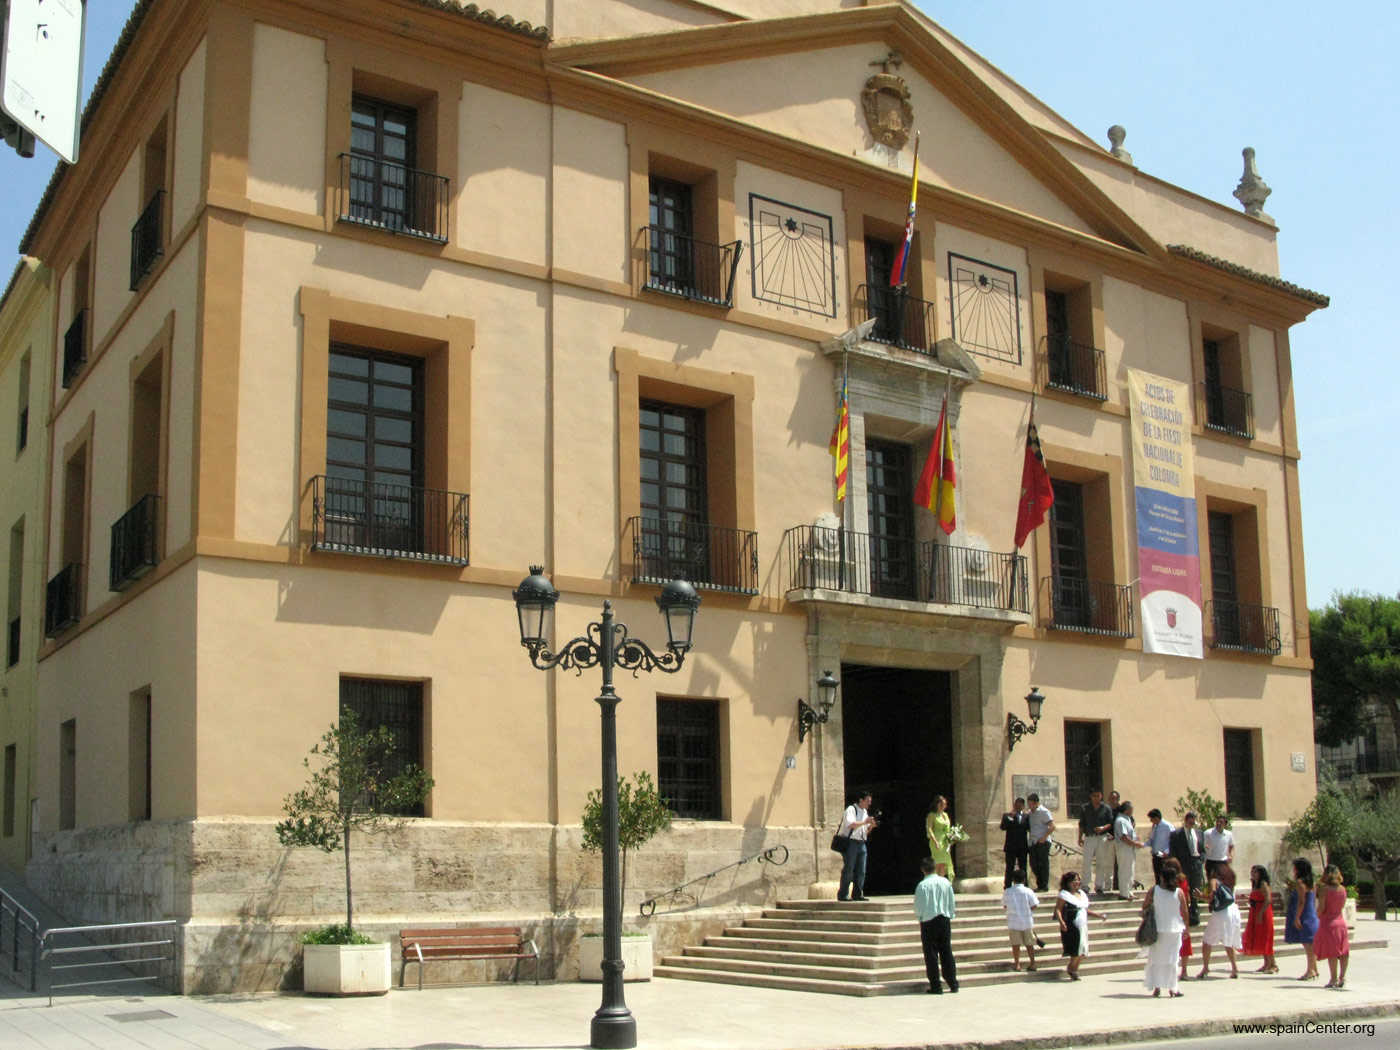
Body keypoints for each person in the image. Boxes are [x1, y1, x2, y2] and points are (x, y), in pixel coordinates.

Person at [1142, 856, 1188, 998]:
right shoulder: (1179, 892)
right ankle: (1172, 988)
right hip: (1174, 929)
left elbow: (1144, 906)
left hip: (1158, 929)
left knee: (1156, 958)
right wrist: (1187, 928)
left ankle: (1157, 987)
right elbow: (1185, 911)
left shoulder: (1154, 890)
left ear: (1162, 877)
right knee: (1172, 960)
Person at [914, 856, 958, 993]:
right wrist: (950, 914)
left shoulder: (922, 885)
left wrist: (920, 918)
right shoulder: (945, 882)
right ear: (935, 867)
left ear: (923, 869)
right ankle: (953, 983)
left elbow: (919, 906)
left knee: (931, 954)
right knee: (946, 951)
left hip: (928, 921)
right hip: (944, 919)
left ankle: (936, 985)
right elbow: (951, 901)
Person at [1055, 870, 1105, 981]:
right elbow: (1058, 909)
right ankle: (1072, 969)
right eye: (1074, 880)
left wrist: (1098, 915)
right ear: (1068, 882)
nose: (1076, 882)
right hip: (1071, 925)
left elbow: (1084, 909)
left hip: (1082, 925)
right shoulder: (1064, 894)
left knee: (1083, 950)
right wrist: (1061, 922)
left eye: (1078, 880)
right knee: (1076, 950)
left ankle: (1074, 969)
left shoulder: (1081, 894)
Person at [1197, 862, 1242, 979]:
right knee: (1228, 940)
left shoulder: (1214, 881)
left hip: (1221, 913)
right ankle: (1234, 968)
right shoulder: (1230, 880)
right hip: (1232, 910)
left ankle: (1206, 967)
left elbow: (1213, 894)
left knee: (1207, 940)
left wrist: (1201, 896)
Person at [1313, 863, 1351, 989]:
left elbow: (1322, 908)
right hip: (1340, 922)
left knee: (1332, 953)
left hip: (1328, 923)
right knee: (1344, 952)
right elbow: (1342, 905)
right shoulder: (1343, 889)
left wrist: (1316, 916)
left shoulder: (1324, 889)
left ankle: (1333, 979)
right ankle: (1342, 977)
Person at [837, 791, 877, 902]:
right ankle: (843, 894)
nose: (869, 804)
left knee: (861, 870)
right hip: (851, 842)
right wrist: (865, 822)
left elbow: (865, 832)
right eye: (867, 801)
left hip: (861, 842)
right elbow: (851, 825)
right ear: (861, 800)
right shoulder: (851, 809)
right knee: (849, 868)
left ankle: (858, 894)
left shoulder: (864, 812)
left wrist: (871, 826)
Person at [1285, 857, 1320, 981]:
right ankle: (1314, 969)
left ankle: (1310, 971)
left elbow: (1301, 901)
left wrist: (1297, 918)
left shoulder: (1300, 883)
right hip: (1311, 914)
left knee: (1308, 945)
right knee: (1310, 944)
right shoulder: (1312, 883)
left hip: (1304, 915)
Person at [1169, 812, 1206, 925]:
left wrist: (1201, 859)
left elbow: (1202, 849)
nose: (1192, 824)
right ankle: (1183, 911)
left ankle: (1194, 912)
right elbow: (1173, 851)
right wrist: (1177, 866)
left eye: (1193, 822)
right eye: (1190, 822)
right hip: (1184, 864)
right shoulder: (1176, 834)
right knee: (1184, 888)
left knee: (1196, 887)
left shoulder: (1199, 833)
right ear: (1185, 821)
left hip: (1196, 863)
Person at [1077, 789, 1115, 895]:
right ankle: (1085, 885)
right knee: (1087, 862)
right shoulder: (1085, 808)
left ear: (1101, 796)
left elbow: (1110, 823)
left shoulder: (1106, 808)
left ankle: (1099, 886)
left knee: (1101, 862)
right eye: (1094, 796)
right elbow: (1081, 824)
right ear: (1090, 796)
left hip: (1102, 837)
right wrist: (1079, 837)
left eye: (1098, 796)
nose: (1096, 798)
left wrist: (1103, 828)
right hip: (1089, 837)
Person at [1001, 867, 1039, 972]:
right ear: (1024, 879)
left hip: (1013, 922)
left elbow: (1004, 905)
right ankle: (1032, 963)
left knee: (1015, 944)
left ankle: (1017, 964)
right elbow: (1035, 904)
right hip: (1027, 921)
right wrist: (1027, 910)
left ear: (1013, 880)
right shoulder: (1028, 891)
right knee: (1030, 944)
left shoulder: (1007, 891)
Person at [1241, 865, 1277, 974]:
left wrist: (1260, 913)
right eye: (1252, 872)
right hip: (1255, 912)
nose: (1253, 874)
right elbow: (1258, 897)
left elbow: (1268, 900)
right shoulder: (1255, 884)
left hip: (1263, 913)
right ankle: (1266, 963)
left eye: (1255, 872)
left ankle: (1272, 964)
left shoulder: (1263, 884)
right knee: (1260, 938)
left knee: (1266, 938)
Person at [1113, 801, 1146, 900]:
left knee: (1130, 871)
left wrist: (1136, 841)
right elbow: (1124, 837)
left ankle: (1129, 891)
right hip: (1124, 848)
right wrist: (1135, 843)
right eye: (1131, 809)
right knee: (1124, 870)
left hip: (1130, 849)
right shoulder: (1121, 820)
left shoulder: (1127, 820)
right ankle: (1124, 893)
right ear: (1127, 810)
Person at [1027, 793, 1055, 893]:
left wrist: (1044, 837)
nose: (1030, 806)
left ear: (1036, 803)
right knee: (1033, 864)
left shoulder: (1044, 811)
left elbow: (1052, 826)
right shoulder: (1030, 813)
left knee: (1043, 864)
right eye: (1029, 804)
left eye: (1031, 804)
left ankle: (1044, 885)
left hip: (1042, 842)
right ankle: (1040, 884)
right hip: (1033, 842)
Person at [1000, 797, 1030, 889]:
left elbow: (1029, 828)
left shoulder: (1026, 816)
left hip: (1022, 846)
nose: (1018, 807)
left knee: (1023, 867)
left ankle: (1024, 885)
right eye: (1016, 805)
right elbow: (1003, 827)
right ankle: (1008, 885)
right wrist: (1011, 817)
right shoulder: (1007, 815)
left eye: (1020, 805)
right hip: (1011, 846)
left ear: (1023, 806)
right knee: (1010, 867)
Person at [926, 795, 955, 882]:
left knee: (944, 863)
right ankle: (935, 881)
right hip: (936, 840)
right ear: (938, 804)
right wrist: (935, 841)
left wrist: (951, 840)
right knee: (937, 862)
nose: (945, 806)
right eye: (943, 804)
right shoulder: (932, 815)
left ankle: (941, 881)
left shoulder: (945, 815)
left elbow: (948, 829)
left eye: (945, 804)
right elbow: (929, 829)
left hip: (945, 841)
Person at [1145, 808, 1174, 885]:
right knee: (1157, 876)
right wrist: (1142, 844)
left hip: (1164, 855)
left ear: (1156, 818)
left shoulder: (1167, 826)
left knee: (1164, 876)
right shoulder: (1155, 827)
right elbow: (1152, 839)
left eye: (1151, 819)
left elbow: (1173, 840)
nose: (1151, 821)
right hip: (1156, 854)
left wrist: (1167, 852)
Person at [1203, 814, 1235, 880]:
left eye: (1221, 822)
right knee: (1212, 881)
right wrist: (1205, 848)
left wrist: (1231, 855)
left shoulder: (1228, 834)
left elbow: (1231, 846)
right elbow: (1202, 845)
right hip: (1211, 861)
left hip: (1223, 862)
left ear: (1225, 824)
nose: (1218, 823)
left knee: (1223, 881)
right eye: (1217, 821)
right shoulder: (1208, 833)